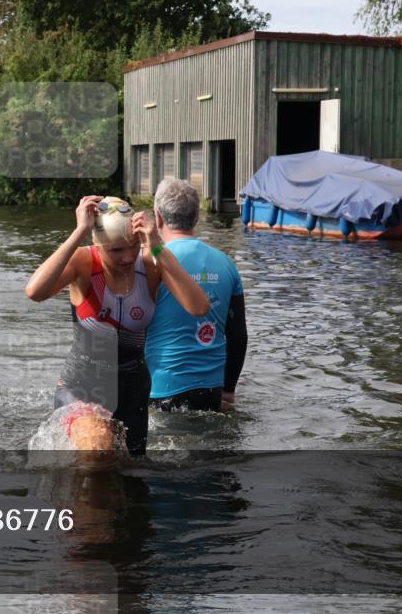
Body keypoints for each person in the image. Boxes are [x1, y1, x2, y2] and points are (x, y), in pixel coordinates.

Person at [25, 196, 210, 455]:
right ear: (97, 244)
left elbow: (199, 306)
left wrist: (156, 245)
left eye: (133, 246)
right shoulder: (84, 262)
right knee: (96, 452)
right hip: (83, 384)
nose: (127, 257)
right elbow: (35, 291)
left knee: (128, 476)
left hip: (133, 387)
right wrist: (79, 231)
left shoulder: (149, 264)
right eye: (115, 250)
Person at [145, 178, 248, 413]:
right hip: (211, 390)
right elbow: (238, 335)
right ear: (197, 216)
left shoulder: (148, 262)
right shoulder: (227, 264)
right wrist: (228, 390)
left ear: (158, 217)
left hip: (160, 387)